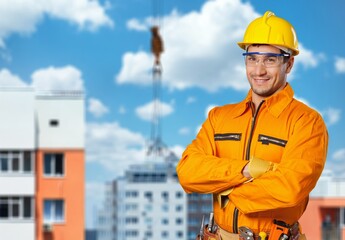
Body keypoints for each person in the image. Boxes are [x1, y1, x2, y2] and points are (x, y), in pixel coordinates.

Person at [176, 11, 328, 240]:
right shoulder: (219, 117)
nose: (259, 70)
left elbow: (290, 188)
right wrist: (246, 170)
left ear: (289, 64)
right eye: (252, 58)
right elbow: (188, 172)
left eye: (270, 59)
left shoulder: (306, 122)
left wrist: (223, 188)